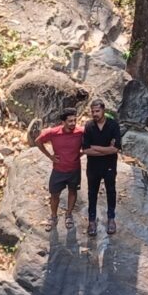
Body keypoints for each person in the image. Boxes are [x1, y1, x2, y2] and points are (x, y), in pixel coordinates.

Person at [35, 109, 85, 227]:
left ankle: (69, 214)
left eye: (74, 120)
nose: (73, 123)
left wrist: (83, 152)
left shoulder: (81, 132)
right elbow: (38, 141)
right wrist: (50, 156)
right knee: (54, 194)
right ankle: (53, 216)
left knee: (73, 191)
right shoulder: (53, 132)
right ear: (63, 122)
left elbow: (92, 139)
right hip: (58, 170)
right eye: (70, 121)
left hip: (74, 169)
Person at [82, 99, 122, 237]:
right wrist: (106, 149)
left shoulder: (113, 125)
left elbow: (115, 149)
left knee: (111, 191)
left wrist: (95, 147)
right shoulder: (88, 126)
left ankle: (111, 219)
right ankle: (92, 221)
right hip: (93, 166)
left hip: (109, 165)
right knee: (92, 193)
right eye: (93, 111)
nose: (95, 114)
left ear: (103, 110)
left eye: (97, 111)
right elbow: (86, 150)